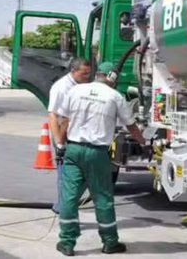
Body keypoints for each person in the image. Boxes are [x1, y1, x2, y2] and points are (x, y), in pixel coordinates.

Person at [55, 62, 146, 256]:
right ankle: (110, 242)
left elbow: (64, 121)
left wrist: (61, 146)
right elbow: (130, 125)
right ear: (111, 77)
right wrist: (143, 142)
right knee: (103, 197)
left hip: (73, 149)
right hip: (97, 153)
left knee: (69, 197)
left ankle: (67, 242)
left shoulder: (76, 91)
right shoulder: (115, 96)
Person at [46, 58, 92, 213]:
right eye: (84, 73)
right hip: (64, 135)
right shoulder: (61, 88)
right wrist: (59, 142)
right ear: (73, 71)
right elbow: (53, 115)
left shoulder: (83, 85)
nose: (87, 77)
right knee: (66, 175)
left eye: (89, 73)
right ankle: (63, 208)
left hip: (79, 134)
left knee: (85, 174)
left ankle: (64, 205)